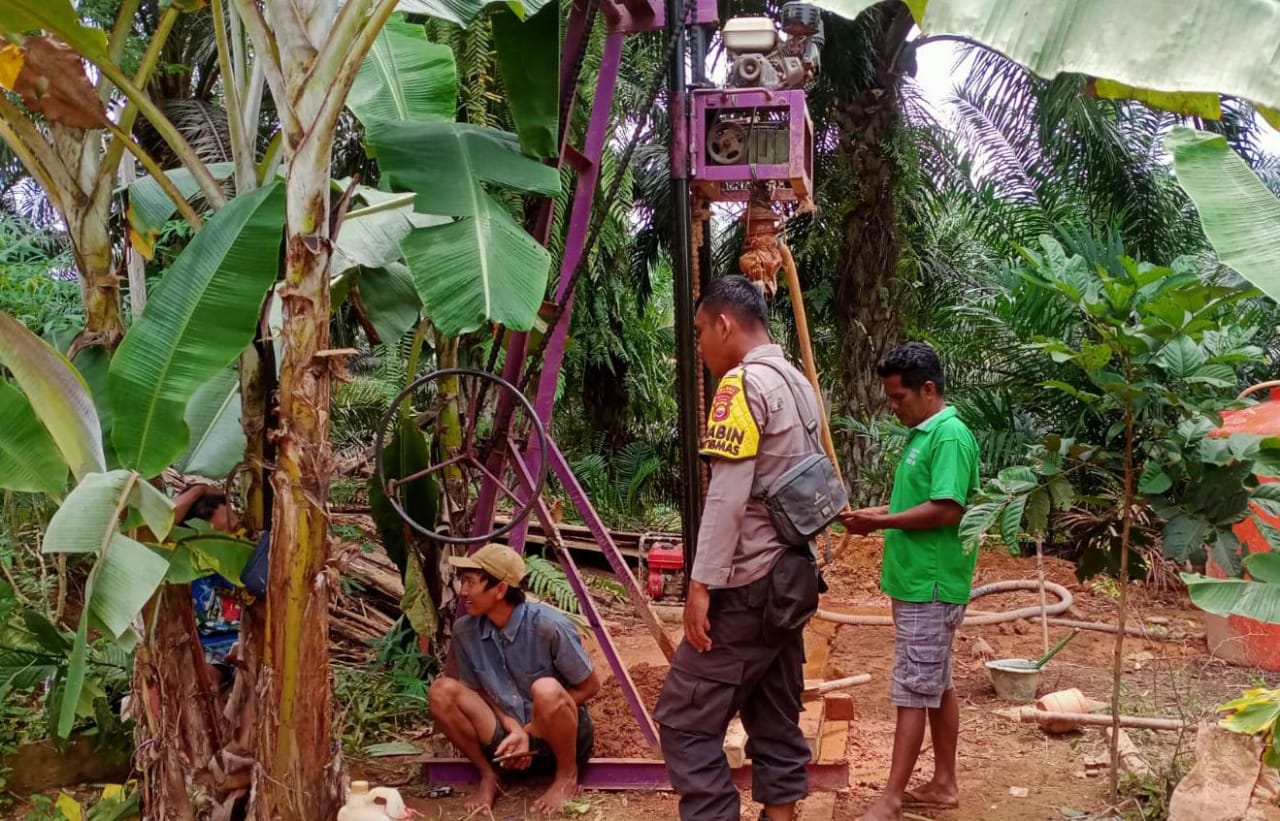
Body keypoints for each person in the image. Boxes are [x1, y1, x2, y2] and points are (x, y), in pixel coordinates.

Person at [655, 274, 824, 821]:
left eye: (702, 330)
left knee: (684, 721)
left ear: (725, 324)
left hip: (747, 584)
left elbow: (727, 497)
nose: (700, 343)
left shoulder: (739, 385)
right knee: (774, 711)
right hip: (790, 580)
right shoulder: (798, 382)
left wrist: (700, 584)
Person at [838, 342, 979, 821]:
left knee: (913, 690)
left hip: (931, 583)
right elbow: (915, 503)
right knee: (936, 685)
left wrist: (879, 525)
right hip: (917, 581)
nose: (893, 407)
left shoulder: (950, 437)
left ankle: (891, 799)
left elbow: (947, 508)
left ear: (929, 389)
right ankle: (943, 783)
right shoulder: (924, 435)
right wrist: (872, 515)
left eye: (899, 398)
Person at [428, 543, 600, 814]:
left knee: (545, 689)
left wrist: (530, 730)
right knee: (441, 691)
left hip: (556, 736)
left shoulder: (548, 625)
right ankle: (488, 776)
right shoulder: (465, 631)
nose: (463, 591)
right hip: (505, 742)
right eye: (464, 581)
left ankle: (567, 776)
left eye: (471, 582)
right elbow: (479, 693)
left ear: (500, 589)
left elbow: (590, 686)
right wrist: (513, 729)